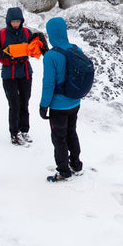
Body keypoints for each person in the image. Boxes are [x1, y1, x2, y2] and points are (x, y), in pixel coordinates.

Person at [0, 7, 48, 146]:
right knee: (14, 105)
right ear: (8, 21)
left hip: (26, 72)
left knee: (24, 103)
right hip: (9, 74)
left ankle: (24, 130)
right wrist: (1, 53)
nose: (16, 24)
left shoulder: (26, 32)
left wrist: (40, 42)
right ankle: (14, 134)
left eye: (18, 21)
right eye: (13, 21)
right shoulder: (1, 35)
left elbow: (34, 46)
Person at [39, 16, 83, 181]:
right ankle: (76, 164)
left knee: (59, 138)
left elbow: (48, 84)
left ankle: (64, 171)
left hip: (58, 106)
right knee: (72, 132)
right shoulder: (75, 49)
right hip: (75, 101)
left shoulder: (51, 56)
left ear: (51, 34)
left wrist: (44, 106)